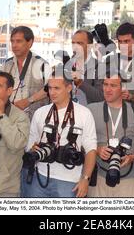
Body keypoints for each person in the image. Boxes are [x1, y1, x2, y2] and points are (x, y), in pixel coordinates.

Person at [24, 67, 97, 197]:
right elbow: (30, 145)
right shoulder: (40, 113)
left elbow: (91, 150)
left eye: (57, 88)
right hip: (39, 177)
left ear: (69, 88)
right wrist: (33, 148)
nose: (52, 92)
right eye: (50, 88)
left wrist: (85, 179)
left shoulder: (84, 113)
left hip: (69, 181)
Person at [87, 71, 134, 197]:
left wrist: (133, 157)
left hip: (128, 180)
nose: (108, 89)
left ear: (122, 88)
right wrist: (98, 150)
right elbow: (82, 142)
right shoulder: (90, 110)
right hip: (98, 179)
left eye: (113, 85)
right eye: (105, 84)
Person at [1, 26, 50, 120]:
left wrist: (29, 101)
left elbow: (50, 89)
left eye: (19, 41)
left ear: (30, 43)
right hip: (10, 119)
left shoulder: (41, 64)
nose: (14, 45)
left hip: (35, 120)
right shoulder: (6, 65)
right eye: (12, 41)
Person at [105, 22, 134, 103]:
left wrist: (131, 97)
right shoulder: (109, 60)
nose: (122, 45)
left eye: (126, 41)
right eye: (120, 41)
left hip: (132, 112)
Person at [66, 30, 105, 105]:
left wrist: (81, 83)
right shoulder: (67, 66)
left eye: (79, 43)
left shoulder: (99, 67)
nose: (75, 47)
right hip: (70, 113)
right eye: (73, 43)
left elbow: (101, 97)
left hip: (90, 113)